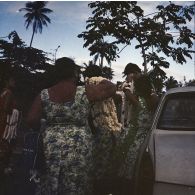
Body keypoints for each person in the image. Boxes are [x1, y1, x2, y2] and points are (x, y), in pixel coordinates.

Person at [26, 57, 116, 195]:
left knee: (51, 179)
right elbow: (111, 88)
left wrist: (48, 127)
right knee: (77, 183)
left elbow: (31, 119)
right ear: (74, 73)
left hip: (51, 144)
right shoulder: (85, 92)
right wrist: (95, 80)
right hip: (79, 146)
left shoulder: (44, 94)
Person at [83, 65, 122, 194]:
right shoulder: (105, 83)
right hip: (114, 129)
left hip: (102, 130)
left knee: (98, 167)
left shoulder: (91, 82)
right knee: (109, 167)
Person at [0, 73, 20, 175]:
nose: (14, 82)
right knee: (6, 147)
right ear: (6, 82)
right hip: (6, 124)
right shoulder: (9, 93)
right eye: (12, 81)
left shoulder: (3, 92)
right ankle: (4, 169)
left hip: (3, 121)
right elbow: (6, 108)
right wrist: (15, 110)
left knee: (3, 146)